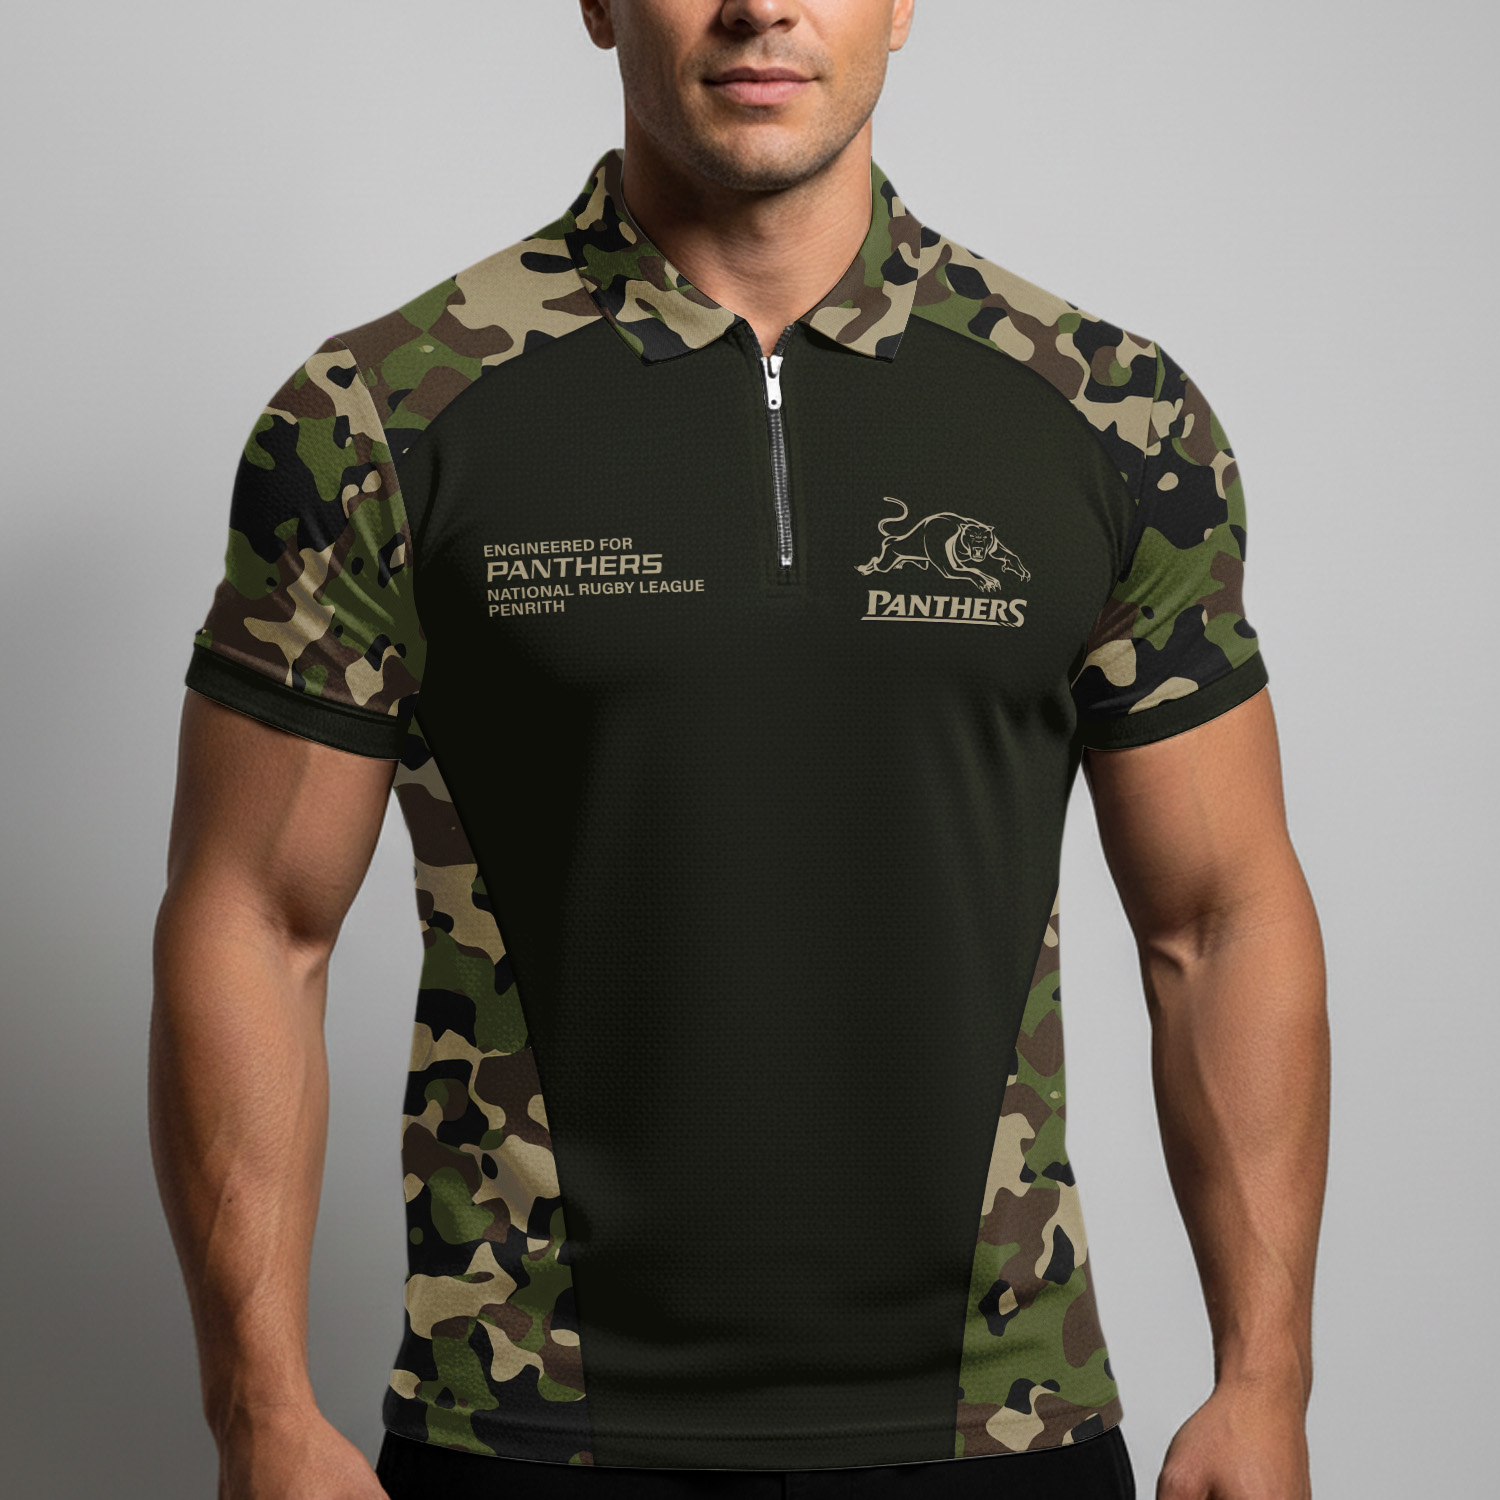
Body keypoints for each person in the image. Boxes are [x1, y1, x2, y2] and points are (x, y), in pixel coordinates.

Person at [150, 3, 1329, 1497]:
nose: (762, 4)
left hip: (998, 1435)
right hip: (525, 1433)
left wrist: (1266, 1380)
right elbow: (254, 919)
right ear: (596, 3)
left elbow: (1218, 920)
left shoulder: (1112, 419)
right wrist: (256, 1406)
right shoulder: (382, 417)